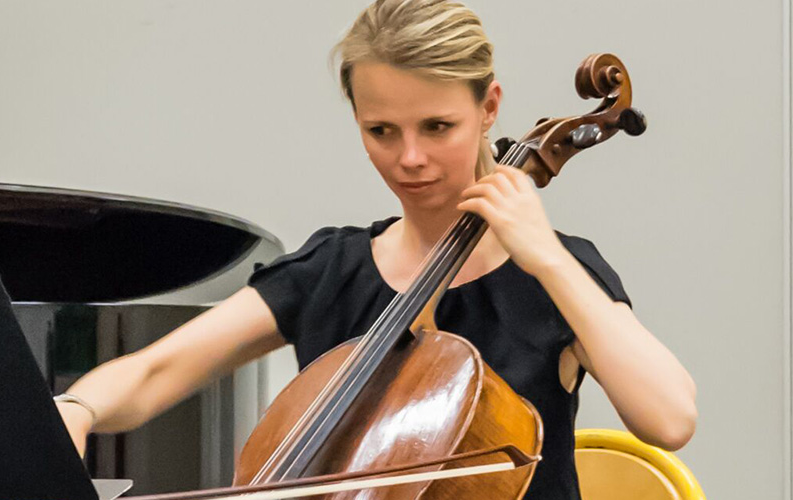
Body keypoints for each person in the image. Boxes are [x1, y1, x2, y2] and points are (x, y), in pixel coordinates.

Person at [55, 1, 697, 498]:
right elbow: (152, 372)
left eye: (437, 126)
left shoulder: (554, 274)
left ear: (489, 106)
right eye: (381, 130)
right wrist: (79, 407)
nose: (409, 158)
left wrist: (547, 258)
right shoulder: (332, 271)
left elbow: (669, 419)